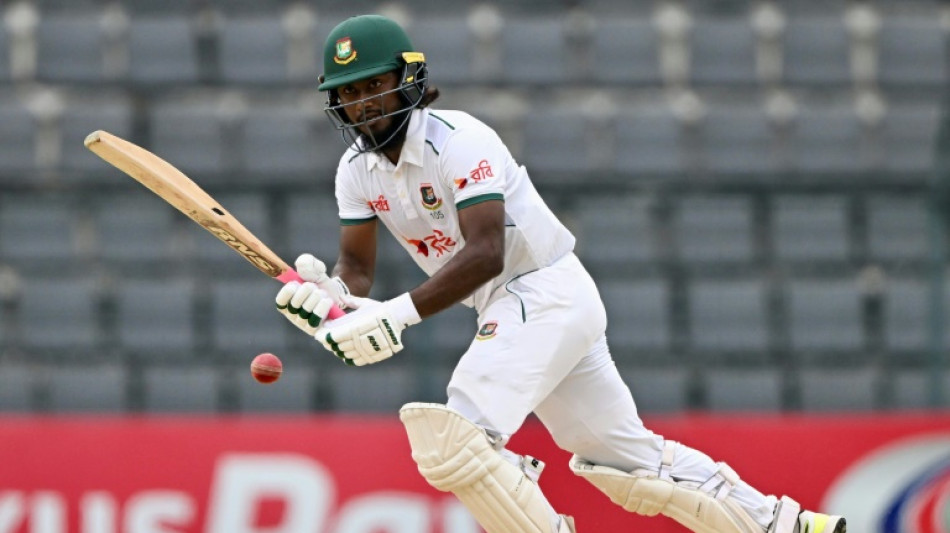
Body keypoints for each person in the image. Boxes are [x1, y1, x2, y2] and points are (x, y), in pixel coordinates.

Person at [274, 13, 847, 533]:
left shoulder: (460, 140)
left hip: (540, 288)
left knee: (457, 442)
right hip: (526, 306)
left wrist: (396, 316)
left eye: (374, 84)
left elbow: (486, 252)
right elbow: (357, 267)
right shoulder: (355, 171)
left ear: (409, 78)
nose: (364, 104)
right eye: (350, 93)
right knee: (628, 465)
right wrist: (333, 298)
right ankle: (786, 525)